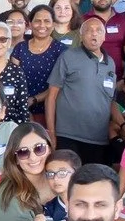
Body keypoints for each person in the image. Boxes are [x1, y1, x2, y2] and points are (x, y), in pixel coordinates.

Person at [47, 15, 117, 166]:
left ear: (104, 37)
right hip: (67, 136)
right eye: (89, 30)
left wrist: (123, 125)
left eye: (98, 30)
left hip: (98, 139)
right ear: (81, 36)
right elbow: (51, 96)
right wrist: (51, 133)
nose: (94, 33)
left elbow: (110, 101)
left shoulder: (110, 63)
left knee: (91, 184)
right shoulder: (68, 57)